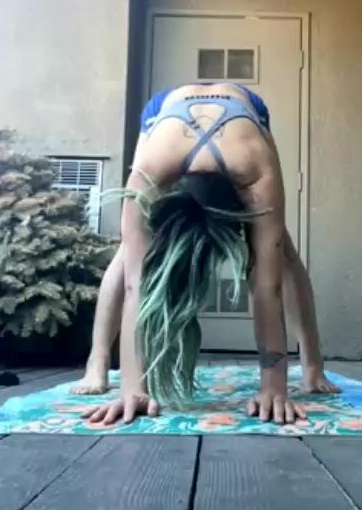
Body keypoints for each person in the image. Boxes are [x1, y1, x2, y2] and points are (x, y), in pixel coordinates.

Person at [76, 81, 339, 425]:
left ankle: (312, 365)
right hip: (163, 114)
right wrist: (132, 388)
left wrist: (274, 388)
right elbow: (135, 285)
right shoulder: (149, 175)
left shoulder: (254, 171)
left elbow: (266, 286)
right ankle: (97, 359)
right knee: (130, 252)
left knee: (279, 252)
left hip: (246, 109)